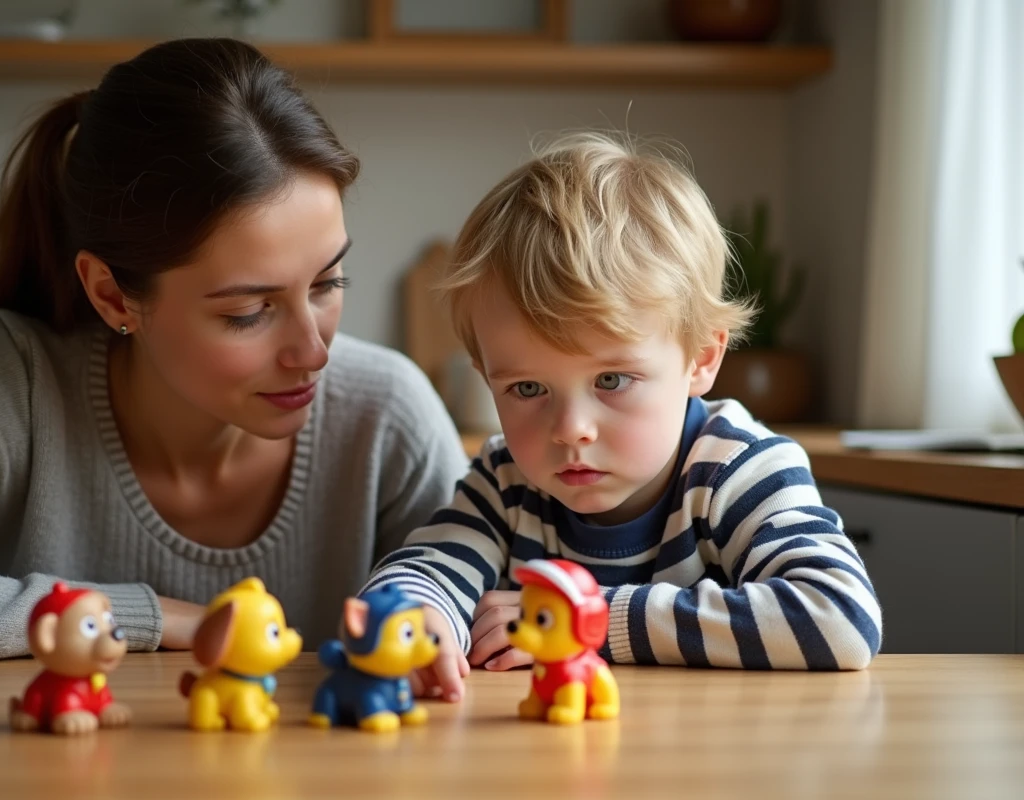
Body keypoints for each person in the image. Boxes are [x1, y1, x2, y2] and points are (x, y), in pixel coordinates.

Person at [0, 38, 467, 668]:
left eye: (328, 283)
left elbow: (487, 604)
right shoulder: (11, 381)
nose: (314, 351)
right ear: (112, 296)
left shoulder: (387, 414)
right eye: (248, 312)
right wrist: (146, 617)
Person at [362, 133, 883, 701]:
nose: (570, 429)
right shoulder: (507, 480)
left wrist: (587, 621)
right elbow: (425, 572)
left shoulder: (739, 469)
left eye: (611, 380)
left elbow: (840, 617)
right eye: (527, 388)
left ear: (701, 358)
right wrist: (415, 618)